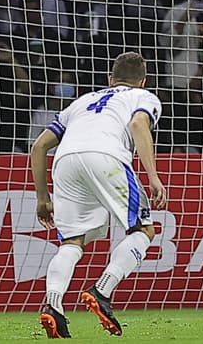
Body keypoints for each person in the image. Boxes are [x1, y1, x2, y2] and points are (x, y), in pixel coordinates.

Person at [30, 52, 167, 340]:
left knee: (71, 242)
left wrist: (42, 197)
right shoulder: (144, 97)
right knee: (143, 229)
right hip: (106, 155)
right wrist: (153, 176)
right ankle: (102, 290)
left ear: (110, 78)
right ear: (143, 81)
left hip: (65, 161)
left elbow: (39, 146)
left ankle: (53, 304)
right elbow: (138, 125)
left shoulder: (82, 101)